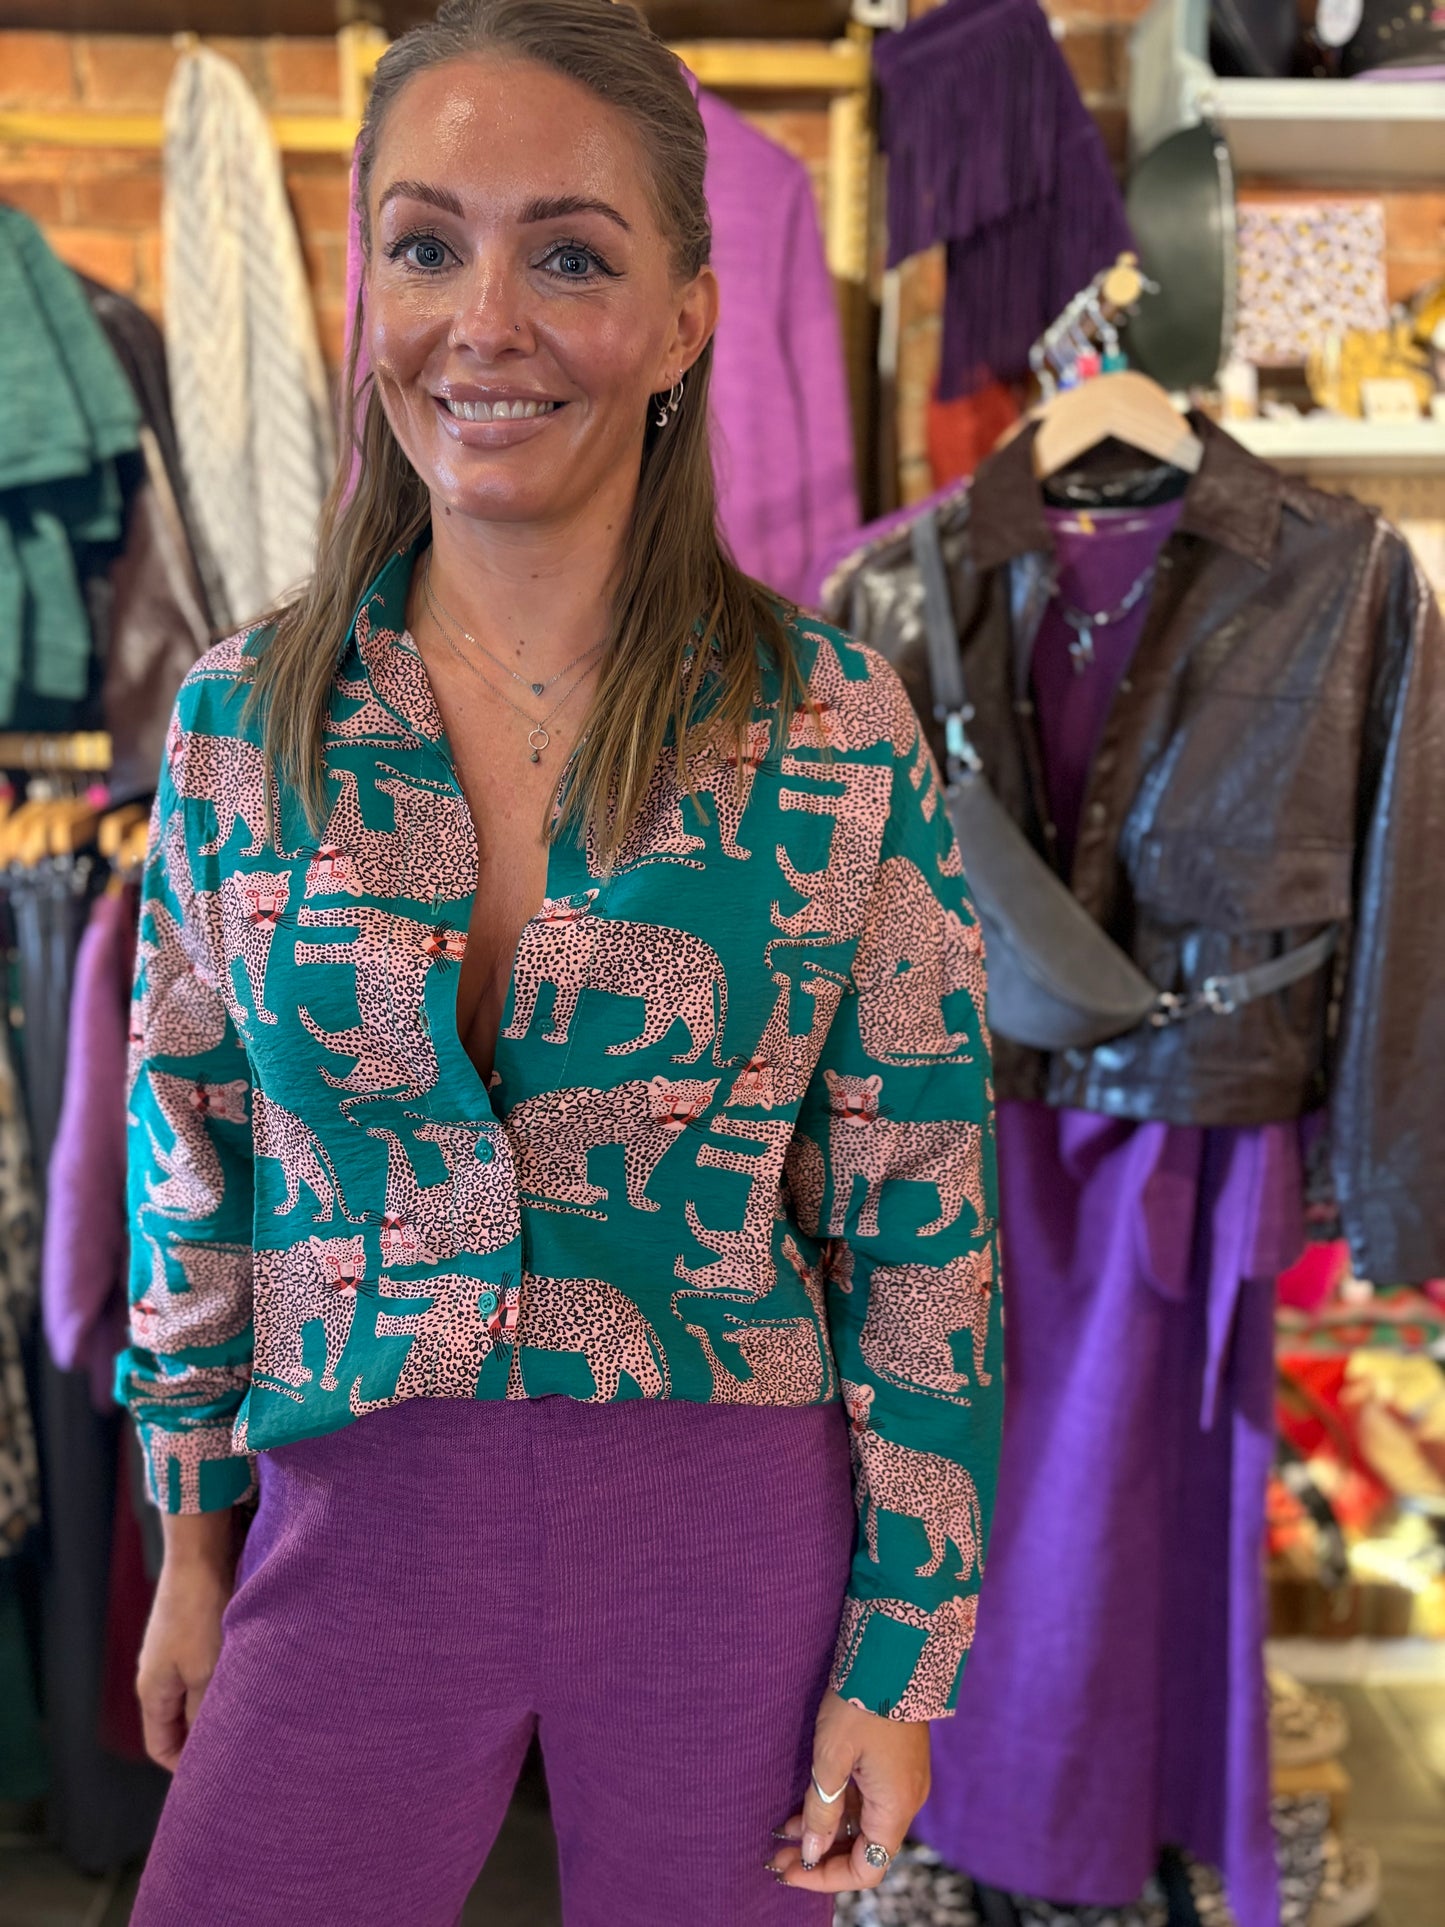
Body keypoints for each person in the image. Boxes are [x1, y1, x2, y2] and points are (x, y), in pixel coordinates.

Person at [120, 4, 1003, 1921]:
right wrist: (191, 1540)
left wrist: (901, 1657)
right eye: (428, 245)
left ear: (686, 316)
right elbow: (190, 1166)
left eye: (571, 255)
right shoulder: (234, 726)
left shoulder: (834, 727)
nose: (485, 322)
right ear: (367, 285)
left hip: (726, 1527)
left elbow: (920, 1210)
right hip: (356, 1517)